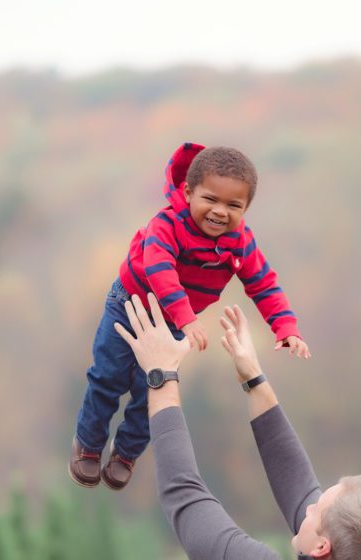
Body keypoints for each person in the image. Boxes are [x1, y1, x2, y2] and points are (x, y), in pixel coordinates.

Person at [70, 142, 311, 490]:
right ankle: (88, 445)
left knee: (152, 387)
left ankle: (126, 452)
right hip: (131, 304)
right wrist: (186, 319)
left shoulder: (240, 242)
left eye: (233, 205)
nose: (219, 212)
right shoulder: (167, 224)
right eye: (210, 199)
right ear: (188, 192)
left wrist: (286, 326)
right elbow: (158, 268)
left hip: (173, 322)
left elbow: (264, 283)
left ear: (246, 208)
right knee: (109, 377)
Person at [114, 292, 361, 560]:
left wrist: (160, 372)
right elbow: (296, 481)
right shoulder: (343, 549)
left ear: (321, 547)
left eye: (316, 511)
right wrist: (253, 378)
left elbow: (183, 493)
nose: (309, 505)